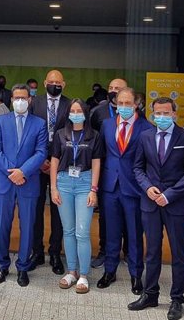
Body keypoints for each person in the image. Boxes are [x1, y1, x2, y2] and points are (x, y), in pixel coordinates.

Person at [129, 97, 184, 320]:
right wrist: (148, 188)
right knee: (152, 251)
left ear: (174, 114)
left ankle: (177, 299)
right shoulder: (145, 136)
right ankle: (150, 294)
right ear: (152, 114)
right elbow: (138, 167)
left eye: (166, 113)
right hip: (150, 203)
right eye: (157, 113)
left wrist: (169, 195)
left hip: (175, 203)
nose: (162, 117)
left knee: (178, 252)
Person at [0, 84, 48, 287]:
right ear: (11, 100)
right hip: (4, 182)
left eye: (23, 98)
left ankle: (23, 267)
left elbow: (41, 152)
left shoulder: (39, 124)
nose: (20, 101)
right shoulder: (1, 121)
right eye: (16, 98)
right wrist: (12, 173)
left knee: (28, 227)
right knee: (2, 226)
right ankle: (2, 265)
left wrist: (22, 172)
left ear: (29, 100)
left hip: (28, 181)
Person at [97, 87, 153, 293]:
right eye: (120, 103)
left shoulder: (146, 127)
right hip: (110, 187)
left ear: (136, 104)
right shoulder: (107, 124)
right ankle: (109, 270)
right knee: (111, 231)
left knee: (134, 233)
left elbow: (149, 161)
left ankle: (136, 274)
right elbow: (101, 155)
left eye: (128, 103)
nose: (123, 107)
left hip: (134, 188)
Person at [50, 99, 103, 294]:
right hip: (63, 183)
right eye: (72, 110)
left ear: (85, 113)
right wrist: (53, 188)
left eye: (79, 110)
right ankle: (71, 271)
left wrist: (93, 189)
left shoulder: (94, 136)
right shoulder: (60, 135)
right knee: (68, 231)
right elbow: (54, 161)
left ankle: (83, 275)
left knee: (82, 232)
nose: (75, 113)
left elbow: (97, 163)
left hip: (84, 183)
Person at [27, 69, 71, 274]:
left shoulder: (71, 105)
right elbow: (29, 134)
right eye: (51, 81)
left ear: (64, 84)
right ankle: (37, 251)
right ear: (45, 83)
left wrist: (55, 161)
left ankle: (55, 252)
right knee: (35, 210)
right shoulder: (34, 103)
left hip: (60, 164)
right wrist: (40, 160)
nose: (55, 84)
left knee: (58, 211)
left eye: (58, 82)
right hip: (37, 164)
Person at [89, 77, 128, 269]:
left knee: (130, 215)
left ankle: (129, 252)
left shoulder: (136, 113)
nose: (113, 91)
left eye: (118, 88)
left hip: (128, 175)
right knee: (105, 216)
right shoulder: (98, 112)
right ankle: (104, 251)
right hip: (105, 172)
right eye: (111, 87)